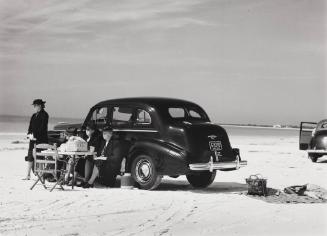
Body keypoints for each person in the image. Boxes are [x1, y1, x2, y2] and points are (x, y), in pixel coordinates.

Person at [23, 99, 49, 180]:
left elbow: (43, 128)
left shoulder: (45, 115)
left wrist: (35, 135)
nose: (34, 107)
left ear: (39, 106)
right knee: (30, 156)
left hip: (41, 139)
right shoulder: (34, 115)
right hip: (32, 139)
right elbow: (30, 127)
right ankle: (28, 175)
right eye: (34, 106)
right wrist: (29, 134)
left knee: (40, 157)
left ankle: (40, 175)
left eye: (35, 106)